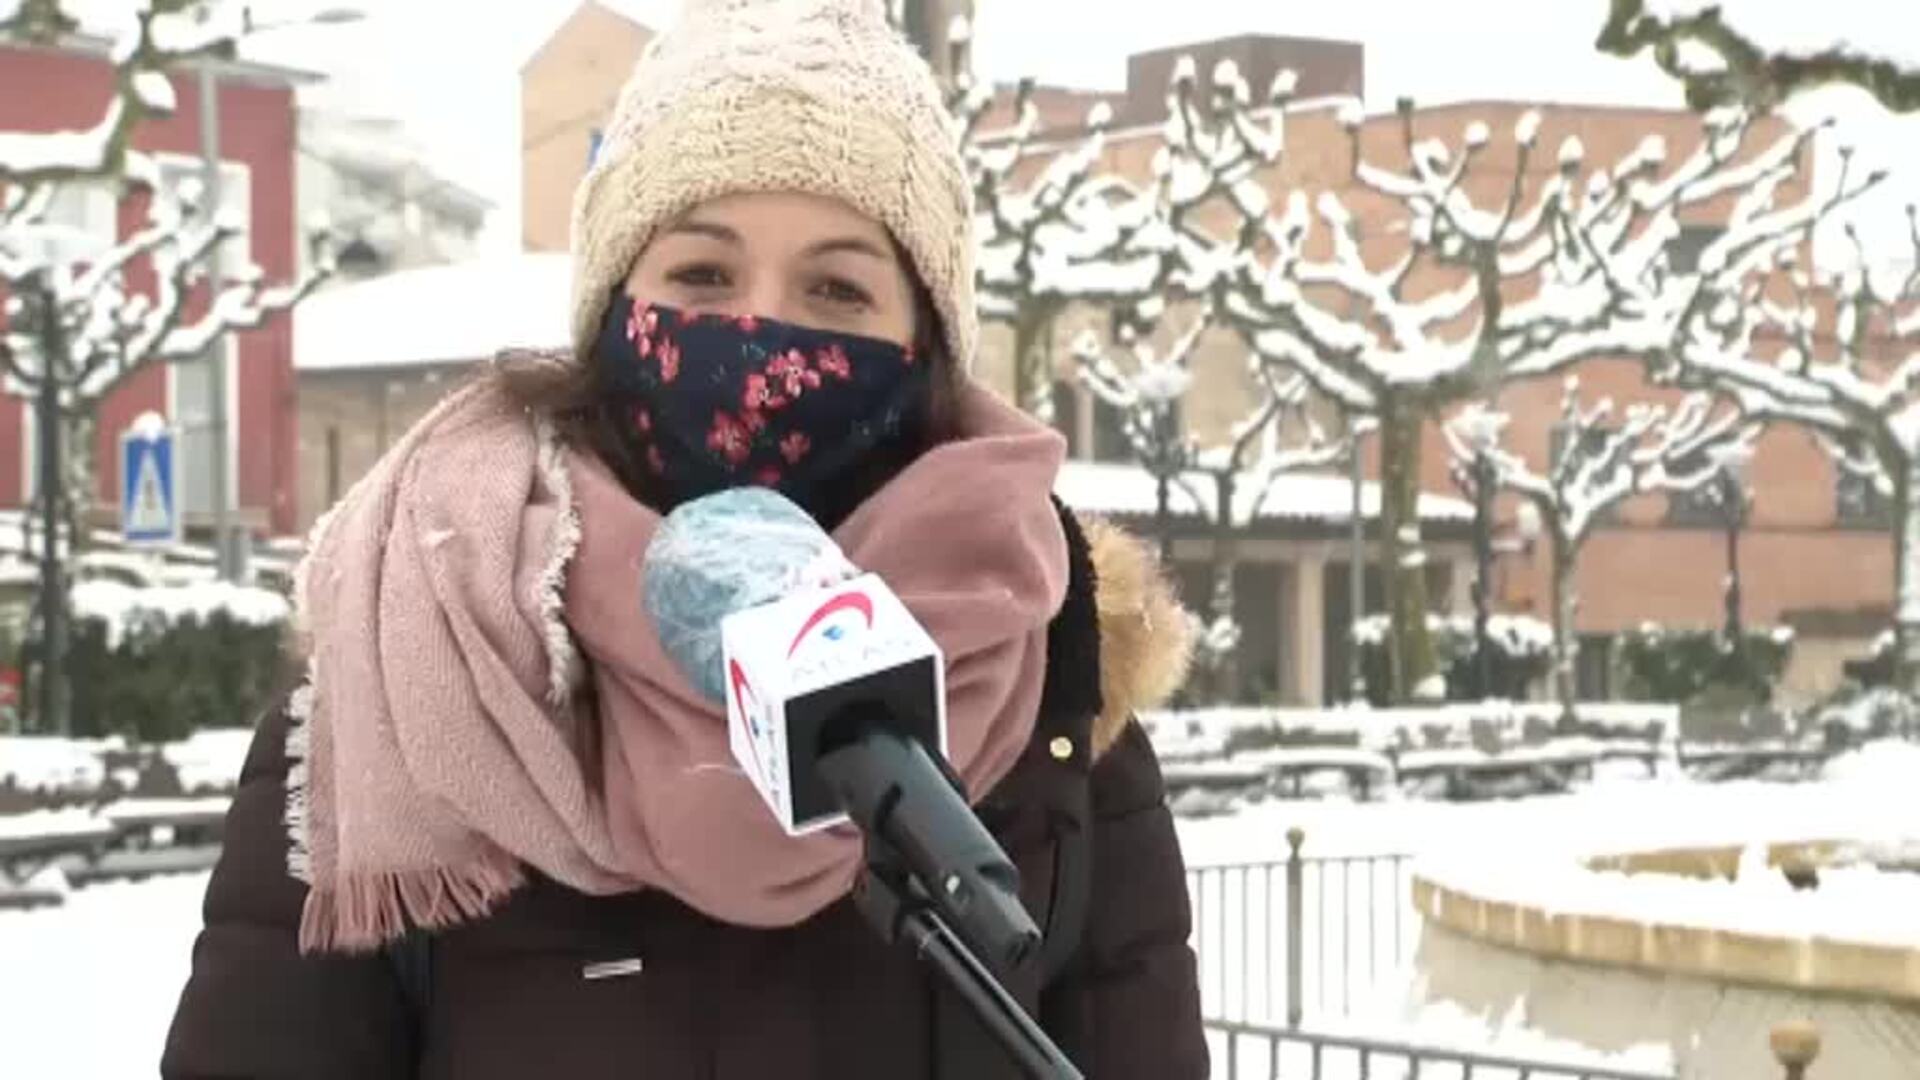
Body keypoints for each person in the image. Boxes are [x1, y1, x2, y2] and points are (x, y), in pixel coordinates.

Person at [162, 0, 1208, 1076]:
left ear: (925, 345)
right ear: (615, 308)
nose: (761, 337)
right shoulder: (412, 685)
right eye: (702, 274)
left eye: (838, 287)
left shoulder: (1054, 710)